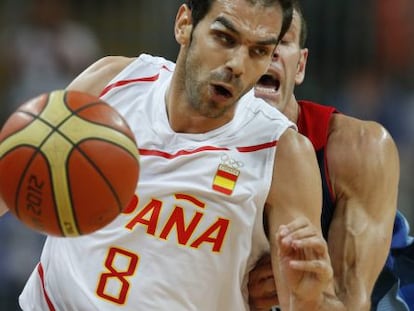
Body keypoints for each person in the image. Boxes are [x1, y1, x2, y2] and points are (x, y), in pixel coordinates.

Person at [0, 0, 336, 310]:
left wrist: (310, 298)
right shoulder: (114, 82)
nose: (237, 64)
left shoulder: (283, 154)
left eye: (259, 51)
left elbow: (308, 297)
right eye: (224, 38)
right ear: (184, 24)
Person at [249, 1, 413, 310]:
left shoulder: (356, 147)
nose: (269, 50)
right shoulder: (192, 143)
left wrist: (305, 296)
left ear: (300, 66)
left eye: (281, 41)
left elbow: (352, 302)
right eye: (256, 42)